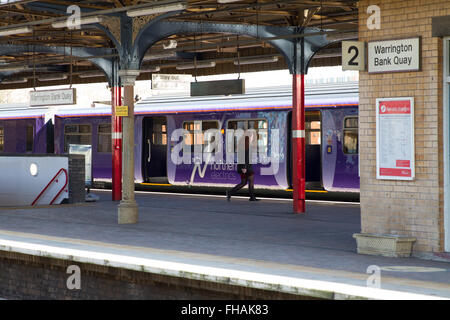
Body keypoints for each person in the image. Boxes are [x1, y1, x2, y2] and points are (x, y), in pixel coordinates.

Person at [226, 135, 259, 201]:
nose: (250, 141)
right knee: (250, 181)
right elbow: (244, 159)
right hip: (246, 168)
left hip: (244, 167)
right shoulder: (246, 148)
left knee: (244, 183)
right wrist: (244, 168)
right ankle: (252, 197)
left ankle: (230, 192)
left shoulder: (242, 148)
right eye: (249, 140)